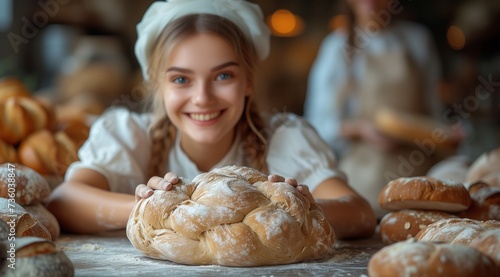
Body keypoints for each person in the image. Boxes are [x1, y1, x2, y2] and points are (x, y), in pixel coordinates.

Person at [47, 0, 376, 239]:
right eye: (180, 79)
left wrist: (293, 207)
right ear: (158, 84)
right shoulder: (128, 135)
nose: (202, 97)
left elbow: (358, 213)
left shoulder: (284, 138)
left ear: (248, 81)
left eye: (223, 77)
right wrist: (159, 207)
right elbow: (66, 201)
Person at [304, 0, 448, 218]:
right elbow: (316, 125)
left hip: (421, 181)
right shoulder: (337, 47)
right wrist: (361, 129)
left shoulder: (418, 39)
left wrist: (445, 134)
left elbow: (434, 109)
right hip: (364, 185)